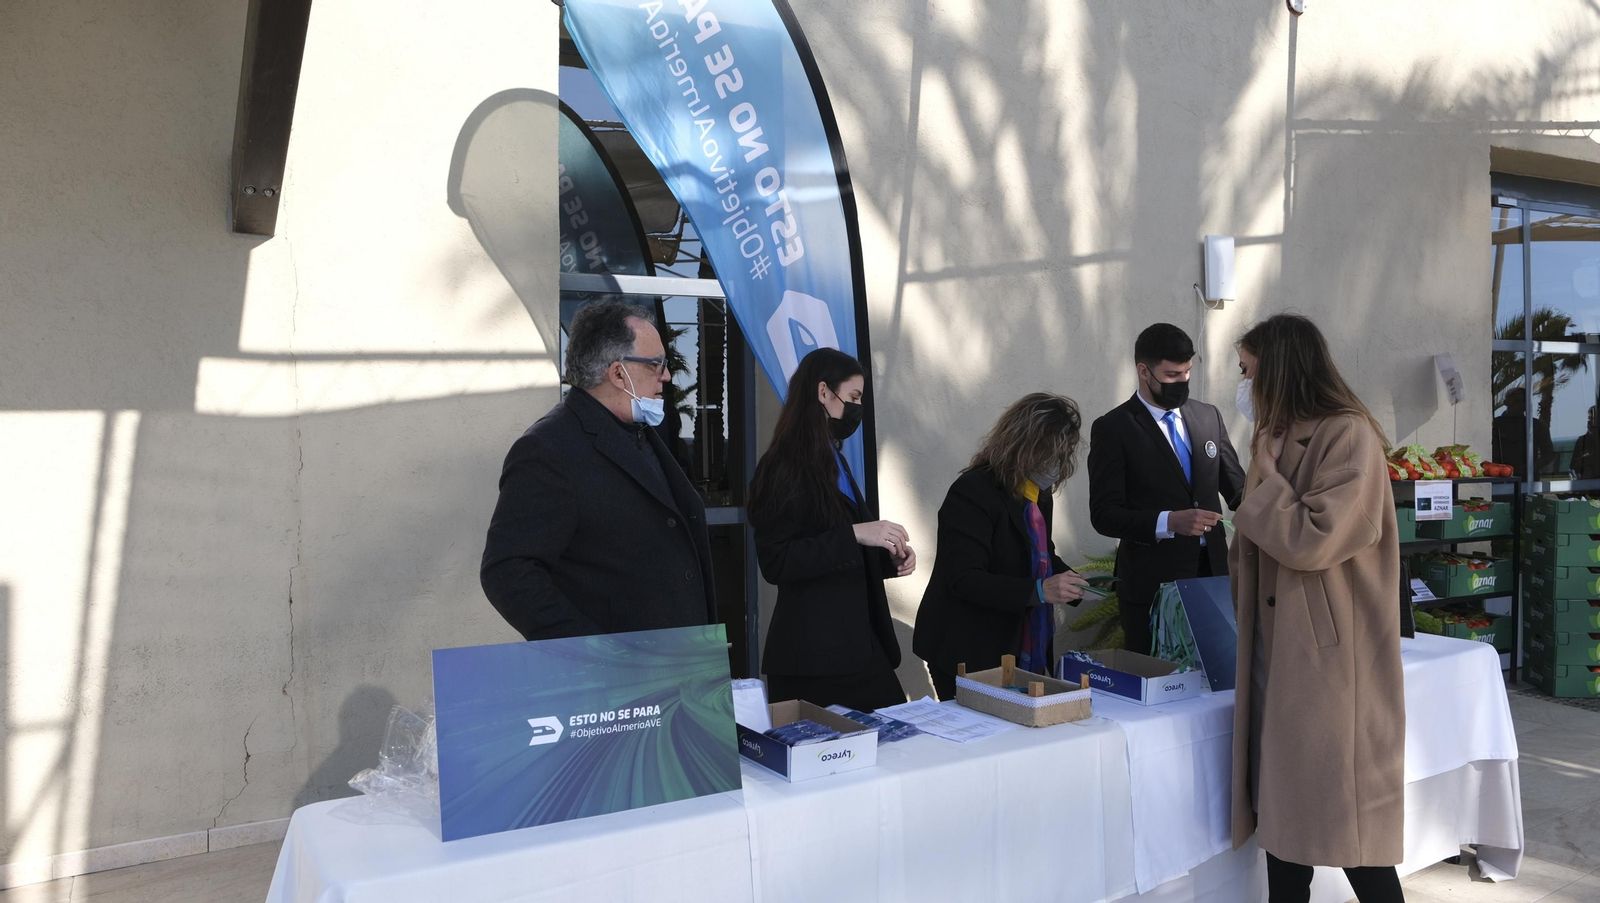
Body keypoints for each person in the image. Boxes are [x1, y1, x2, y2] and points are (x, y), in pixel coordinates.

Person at [1229, 314, 1405, 903]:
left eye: (1248, 371)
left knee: (1353, 837)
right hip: (1278, 655)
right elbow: (1251, 546)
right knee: (1286, 836)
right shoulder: (1272, 435)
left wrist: (1271, 479)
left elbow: (1317, 538)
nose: (1243, 383)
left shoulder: (1348, 435)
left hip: (1329, 666)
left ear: (1278, 370)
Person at [479, 300, 715, 640]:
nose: (666, 375)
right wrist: (594, 651)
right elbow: (509, 572)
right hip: (620, 677)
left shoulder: (642, 432)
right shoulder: (549, 449)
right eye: (655, 364)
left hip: (680, 663)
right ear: (618, 373)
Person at [748, 348, 912, 711]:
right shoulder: (781, 466)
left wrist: (889, 555)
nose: (857, 409)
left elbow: (843, 545)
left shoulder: (833, 458)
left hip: (856, 648)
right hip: (813, 659)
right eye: (853, 398)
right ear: (823, 392)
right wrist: (856, 534)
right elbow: (777, 561)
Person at [912, 393, 1089, 701]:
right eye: (1052, 453)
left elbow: (1041, 554)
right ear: (1024, 445)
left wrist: (1080, 583)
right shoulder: (972, 492)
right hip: (967, 648)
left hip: (1017, 643)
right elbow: (964, 578)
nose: (1057, 465)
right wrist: (1039, 591)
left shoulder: (1036, 494)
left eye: (1063, 455)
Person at [1087, 323, 1246, 654]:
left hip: (1214, 575)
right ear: (1143, 372)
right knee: (1159, 683)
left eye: (1187, 373)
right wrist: (1168, 522)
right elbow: (1104, 514)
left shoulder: (1207, 417)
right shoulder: (1114, 428)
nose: (1182, 382)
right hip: (1152, 584)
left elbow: (1239, 491)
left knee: (1217, 677)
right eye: (1172, 375)